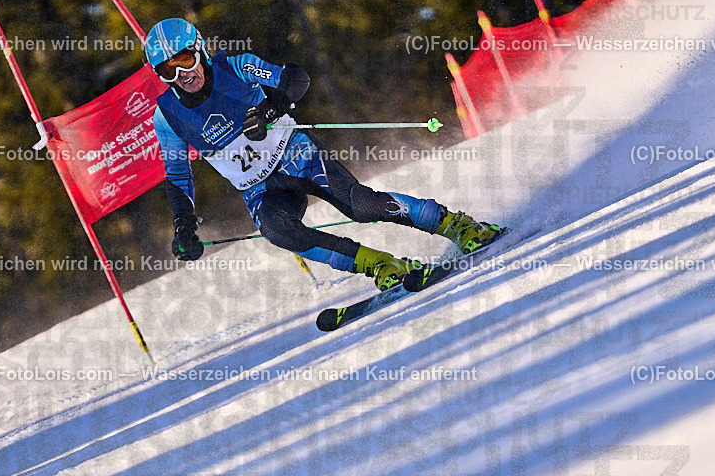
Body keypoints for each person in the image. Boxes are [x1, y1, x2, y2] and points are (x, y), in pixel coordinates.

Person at [144, 18, 501, 291]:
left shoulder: (234, 67)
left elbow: (295, 78)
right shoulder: (166, 117)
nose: (182, 74)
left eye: (185, 60)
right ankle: (380, 265)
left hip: (296, 155)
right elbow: (178, 176)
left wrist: (271, 108)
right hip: (259, 189)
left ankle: (456, 224)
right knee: (277, 230)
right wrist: (184, 226)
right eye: (167, 70)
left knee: (361, 206)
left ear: (201, 50)